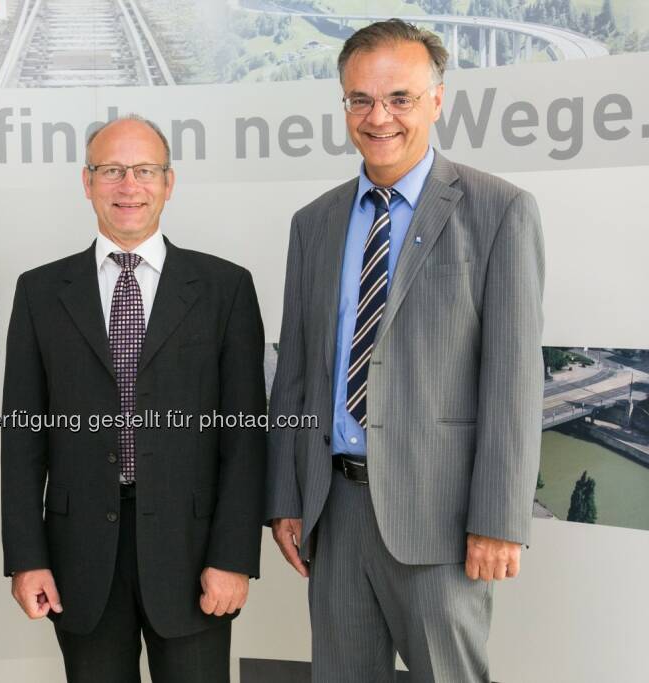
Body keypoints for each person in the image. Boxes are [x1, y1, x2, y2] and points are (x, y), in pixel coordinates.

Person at [266, 20, 544, 683]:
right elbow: (299, 372)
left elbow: (513, 380)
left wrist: (500, 518)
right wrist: (284, 497)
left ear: (438, 100)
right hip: (334, 515)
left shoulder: (498, 210)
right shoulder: (315, 222)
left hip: (441, 523)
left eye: (399, 98)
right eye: (360, 99)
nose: (378, 116)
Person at [1, 115, 266, 683]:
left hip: (194, 556)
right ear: (87, 181)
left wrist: (234, 556)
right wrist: (27, 558)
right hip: (80, 559)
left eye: (144, 170)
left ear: (168, 182)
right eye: (112, 171)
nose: (129, 186)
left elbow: (244, 439)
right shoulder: (41, 291)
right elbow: (22, 440)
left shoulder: (225, 288)